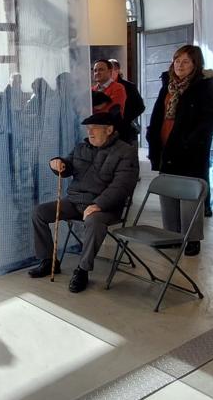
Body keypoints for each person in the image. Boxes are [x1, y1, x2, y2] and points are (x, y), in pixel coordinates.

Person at [28, 113, 139, 293]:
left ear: (109, 130)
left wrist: (98, 205)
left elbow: (122, 186)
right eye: (88, 129)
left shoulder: (125, 152)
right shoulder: (82, 147)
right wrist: (57, 163)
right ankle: (48, 261)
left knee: (94, 222)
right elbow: (68, 166)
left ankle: (83, 270)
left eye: (94, 128)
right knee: (39, 212)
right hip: (75, 201)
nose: (90, 132)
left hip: (106, 206)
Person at [146, 44, 213, 256]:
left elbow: (212, 119)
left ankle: (192, 239)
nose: (179, 65)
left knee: (189, 197)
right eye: (177, 60)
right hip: (165, 146)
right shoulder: (168, 84)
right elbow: (158, 113)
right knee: (168, 192)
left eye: (185, 61)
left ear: (195, 64)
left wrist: (192, 141)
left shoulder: (205, 86)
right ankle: (170, 235)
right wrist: (151, 134)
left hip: (191, 150)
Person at [109, 59, 145, 131]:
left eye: (110, 70)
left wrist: (125, 119)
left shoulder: (129, 86)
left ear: (117, 70)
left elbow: (140, 107)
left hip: (124, 129)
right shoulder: (103, 87)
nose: (108, 73)